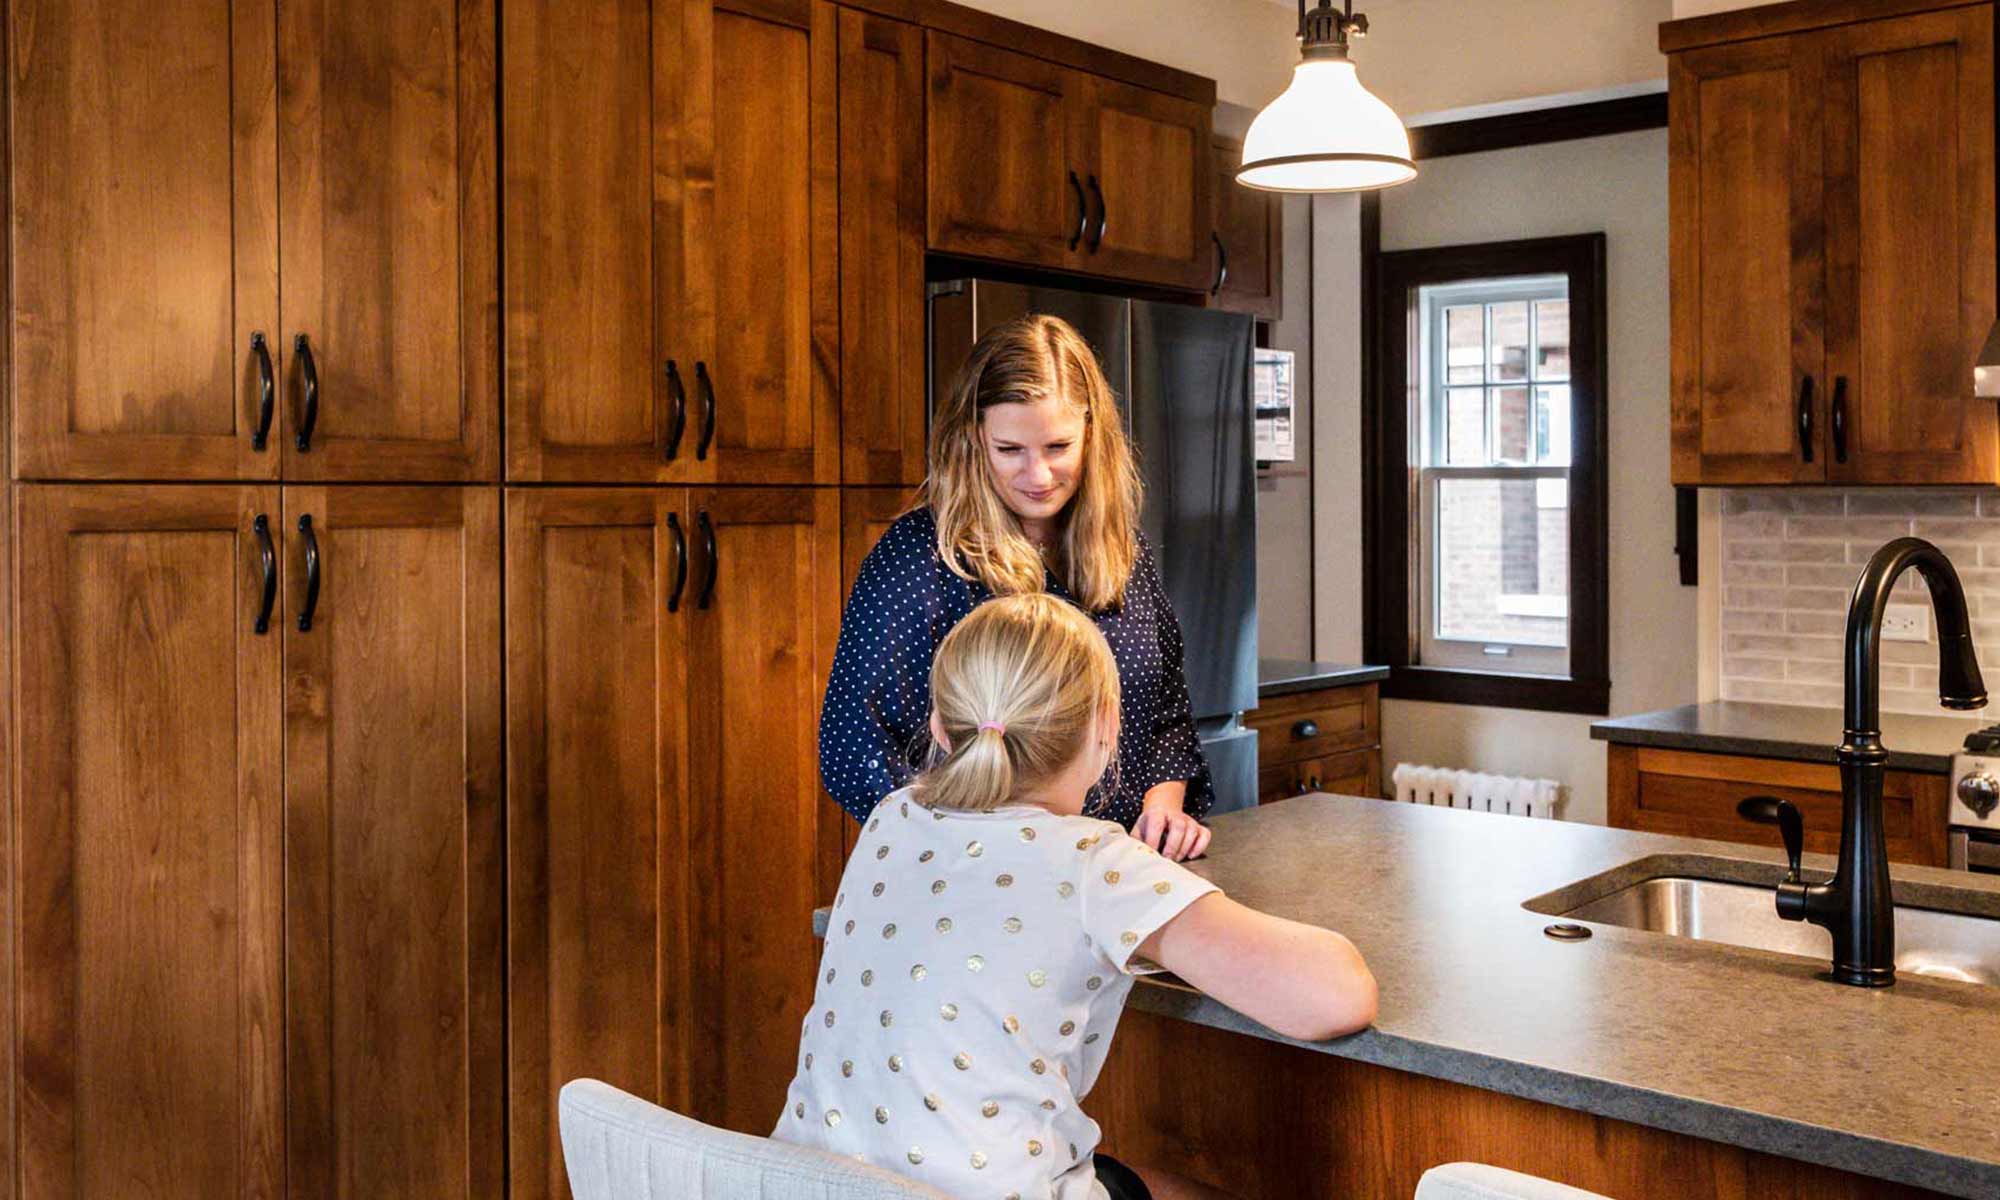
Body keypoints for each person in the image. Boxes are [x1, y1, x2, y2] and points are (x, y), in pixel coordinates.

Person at [777, 593, 1376, 1200]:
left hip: (809, 1186)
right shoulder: (1094, 864)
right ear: (1107, 726)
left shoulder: (892, 815)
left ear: (937, 724)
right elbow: (1336, 999)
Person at [821, 314, 1214, 859]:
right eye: (1010, 450)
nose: (1039, 474)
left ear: (1092, 436)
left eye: (1058, 447)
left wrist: (1164, 808)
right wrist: (978, 855)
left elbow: (1167, 712)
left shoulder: (1124, 550)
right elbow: (853, 749)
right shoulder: (919, 558)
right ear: (973, 441)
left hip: (1119, 871)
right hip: (984, 883)